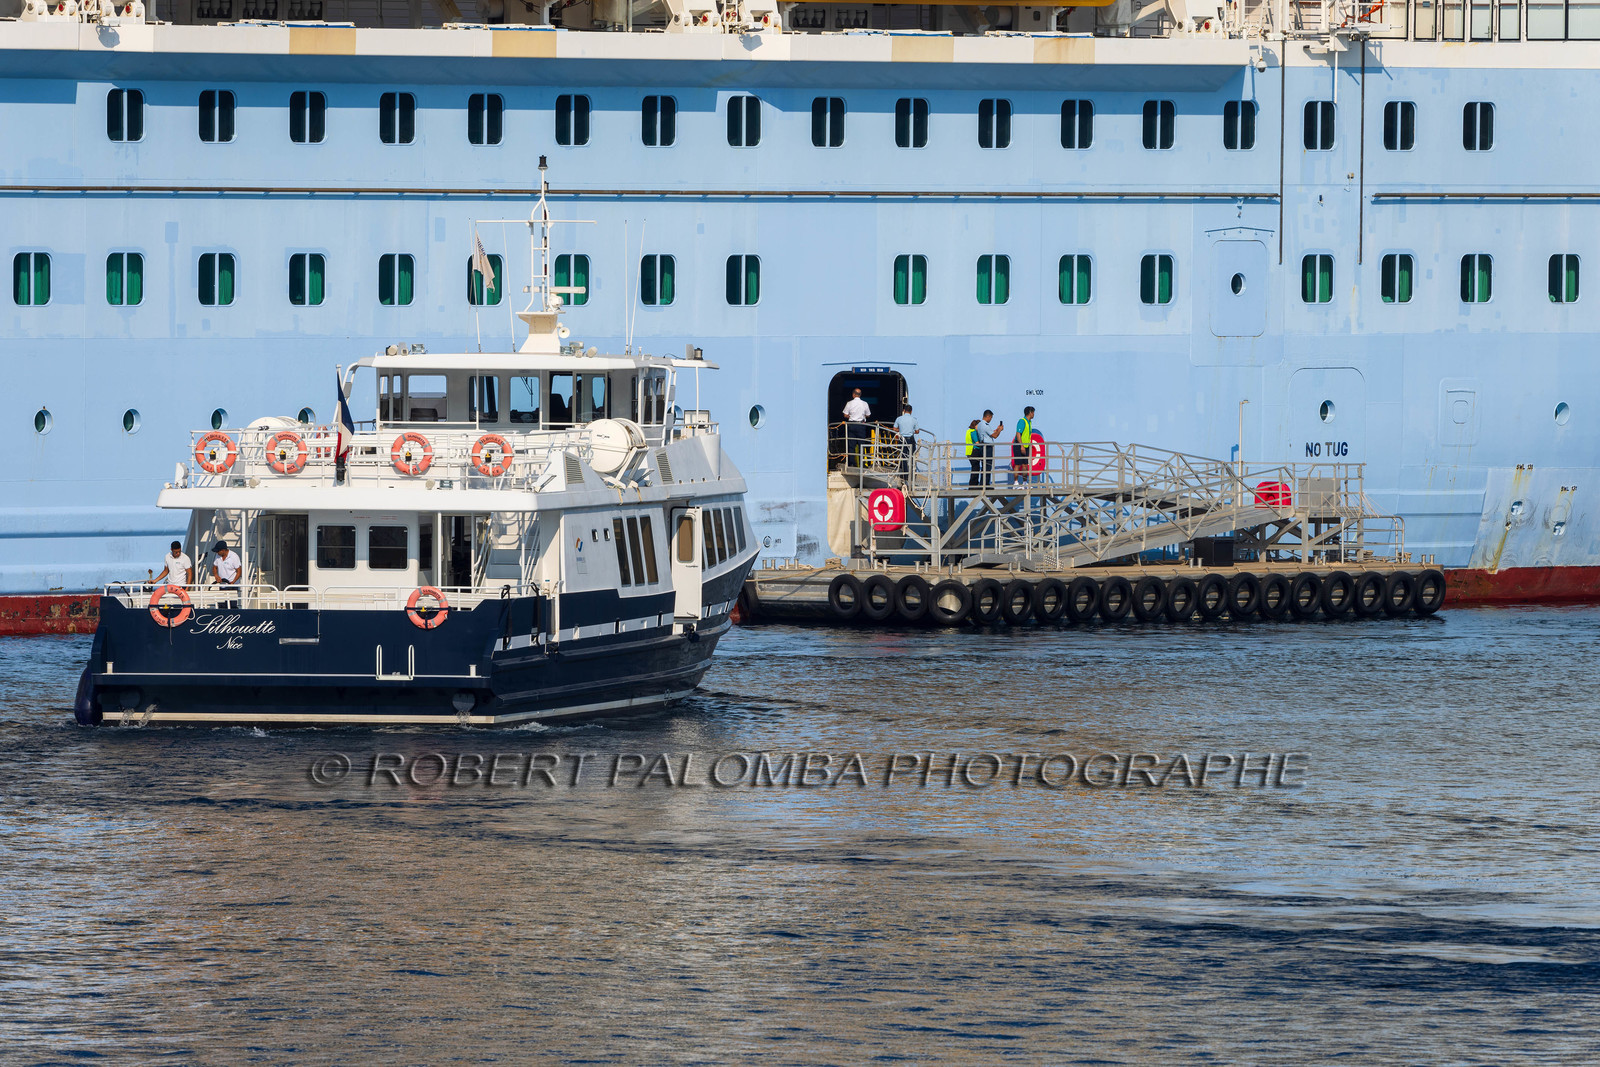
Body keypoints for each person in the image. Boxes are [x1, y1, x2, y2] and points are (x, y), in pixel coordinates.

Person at [842, 388, 871, 467]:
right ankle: (862, 464)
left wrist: (850, 416)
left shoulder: (849, 403)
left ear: (853, 395)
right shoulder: (865, 404)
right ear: (860, 395)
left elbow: (845, 414)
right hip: (861, 425)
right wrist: (862, 415)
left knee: (851, 445)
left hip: (851, 425)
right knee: (862, 444)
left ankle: (851, 463)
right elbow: (868, 414)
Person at [977, 409, 1003, 487]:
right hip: (987, 447)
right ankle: (985, 484)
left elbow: (990, 433)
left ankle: (983, 483)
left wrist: (997, 429)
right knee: (987, 466)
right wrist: (1000, 430)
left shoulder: (980, 424)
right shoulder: (985, 425)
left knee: (985, 466)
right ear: (988, 416)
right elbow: (994, 436)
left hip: (983, 446)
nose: (991, 419)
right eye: (991, 417)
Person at [1012, 406, 1037, 484]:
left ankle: (1024, 482)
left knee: (1025, 465)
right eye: (1033, 412)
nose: (1034, 414)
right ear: (1030, 412)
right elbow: (1018, 433)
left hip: (1026, 446)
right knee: (1018, 464)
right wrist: (1021, 445)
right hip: (1019, 445)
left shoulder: (1029, 422)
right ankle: (1015, 483)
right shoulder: (1022, 421)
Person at [893, 403, 919, 477]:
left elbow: (894, 428)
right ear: (911, 411)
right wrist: (911, 430)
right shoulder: (914, 419)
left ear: (904, 410)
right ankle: (912, 474)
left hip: (902, 439)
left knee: (903, 456)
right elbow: (917, 431)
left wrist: (900, 430)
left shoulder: (899, 418)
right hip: (910, 439)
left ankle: (905, 475)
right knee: (912, 456)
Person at [964, 419, 983, 488]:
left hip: (969, 451)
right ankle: (973, 485)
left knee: (975, 468)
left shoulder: (968, 431)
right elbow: (977, 443)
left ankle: (974, 484)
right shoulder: (974, 432)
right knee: (976, 468)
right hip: (974, 451)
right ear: (976, 426)